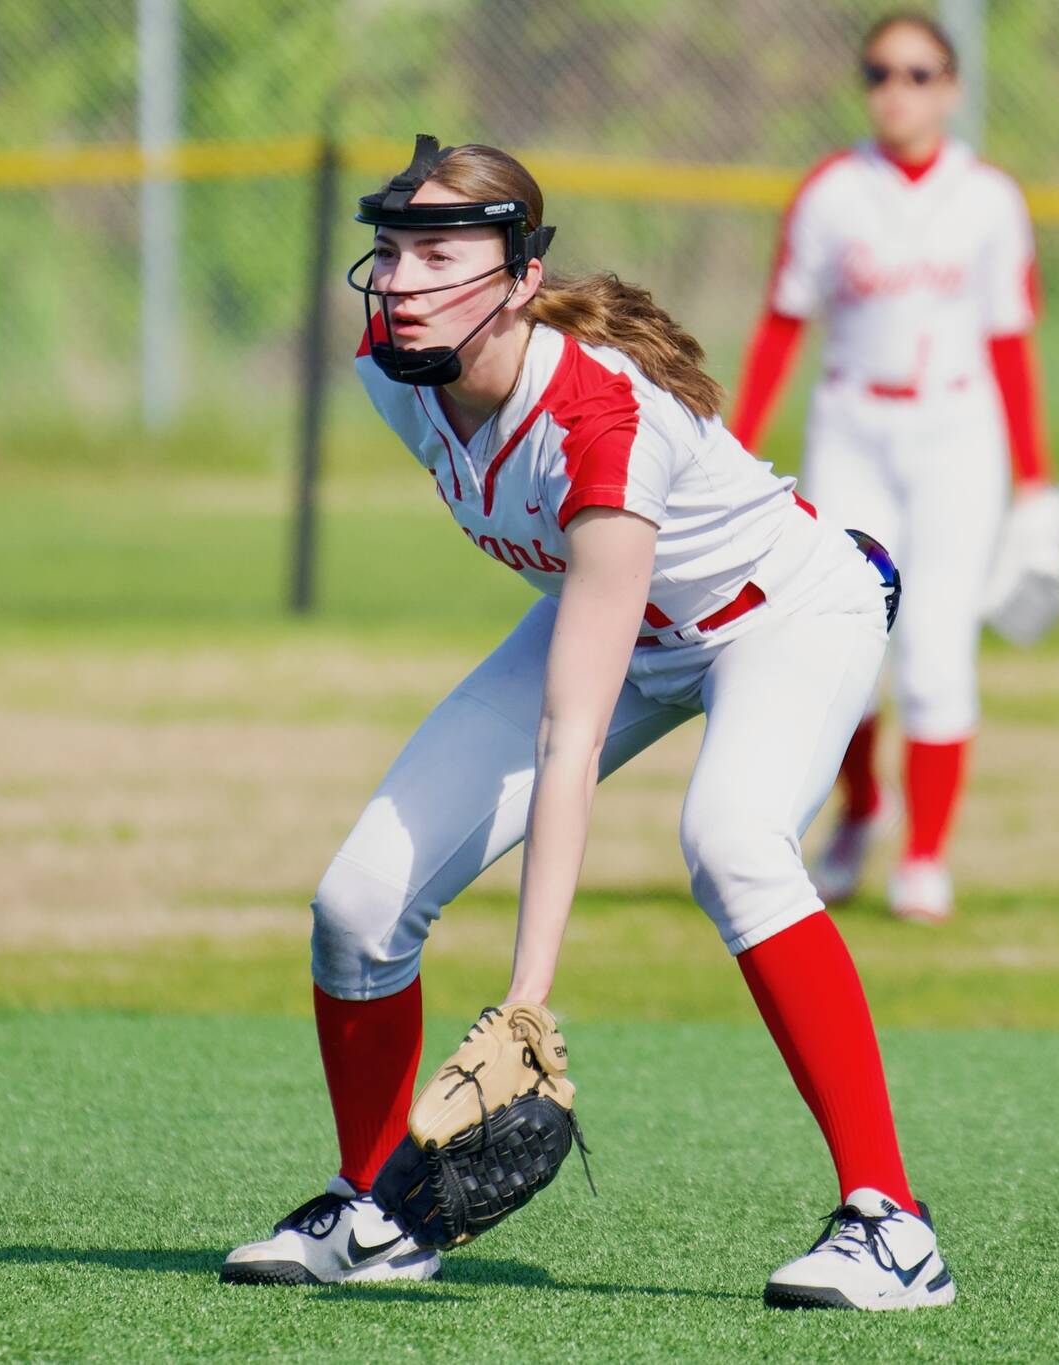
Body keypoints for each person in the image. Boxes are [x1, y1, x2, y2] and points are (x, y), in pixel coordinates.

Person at [219, 134, 955, 1312]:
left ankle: (890, 1225)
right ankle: (375, 1210)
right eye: (392, 252)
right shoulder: (390, 358)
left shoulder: (598, 424)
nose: (400, 280)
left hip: (784, 609)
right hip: (614, 616)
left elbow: (572, 736)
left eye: (437, 254)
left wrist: (526, 998)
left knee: (732, 843)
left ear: (516, 277)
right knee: (355, 907)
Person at [731, 12, 1057, 923]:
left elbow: (1009, 341)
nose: (896, 90)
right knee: (844, 639)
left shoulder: (989, 198)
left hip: (957, 431)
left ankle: (924, 853)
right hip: (853, 423)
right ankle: (861, 808)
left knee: (935, 651)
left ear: (951, 88)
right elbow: (782, 323)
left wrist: (1037, 478)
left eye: (919, 74)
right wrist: (733, 441)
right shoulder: (833, 192)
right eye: (880, 72)